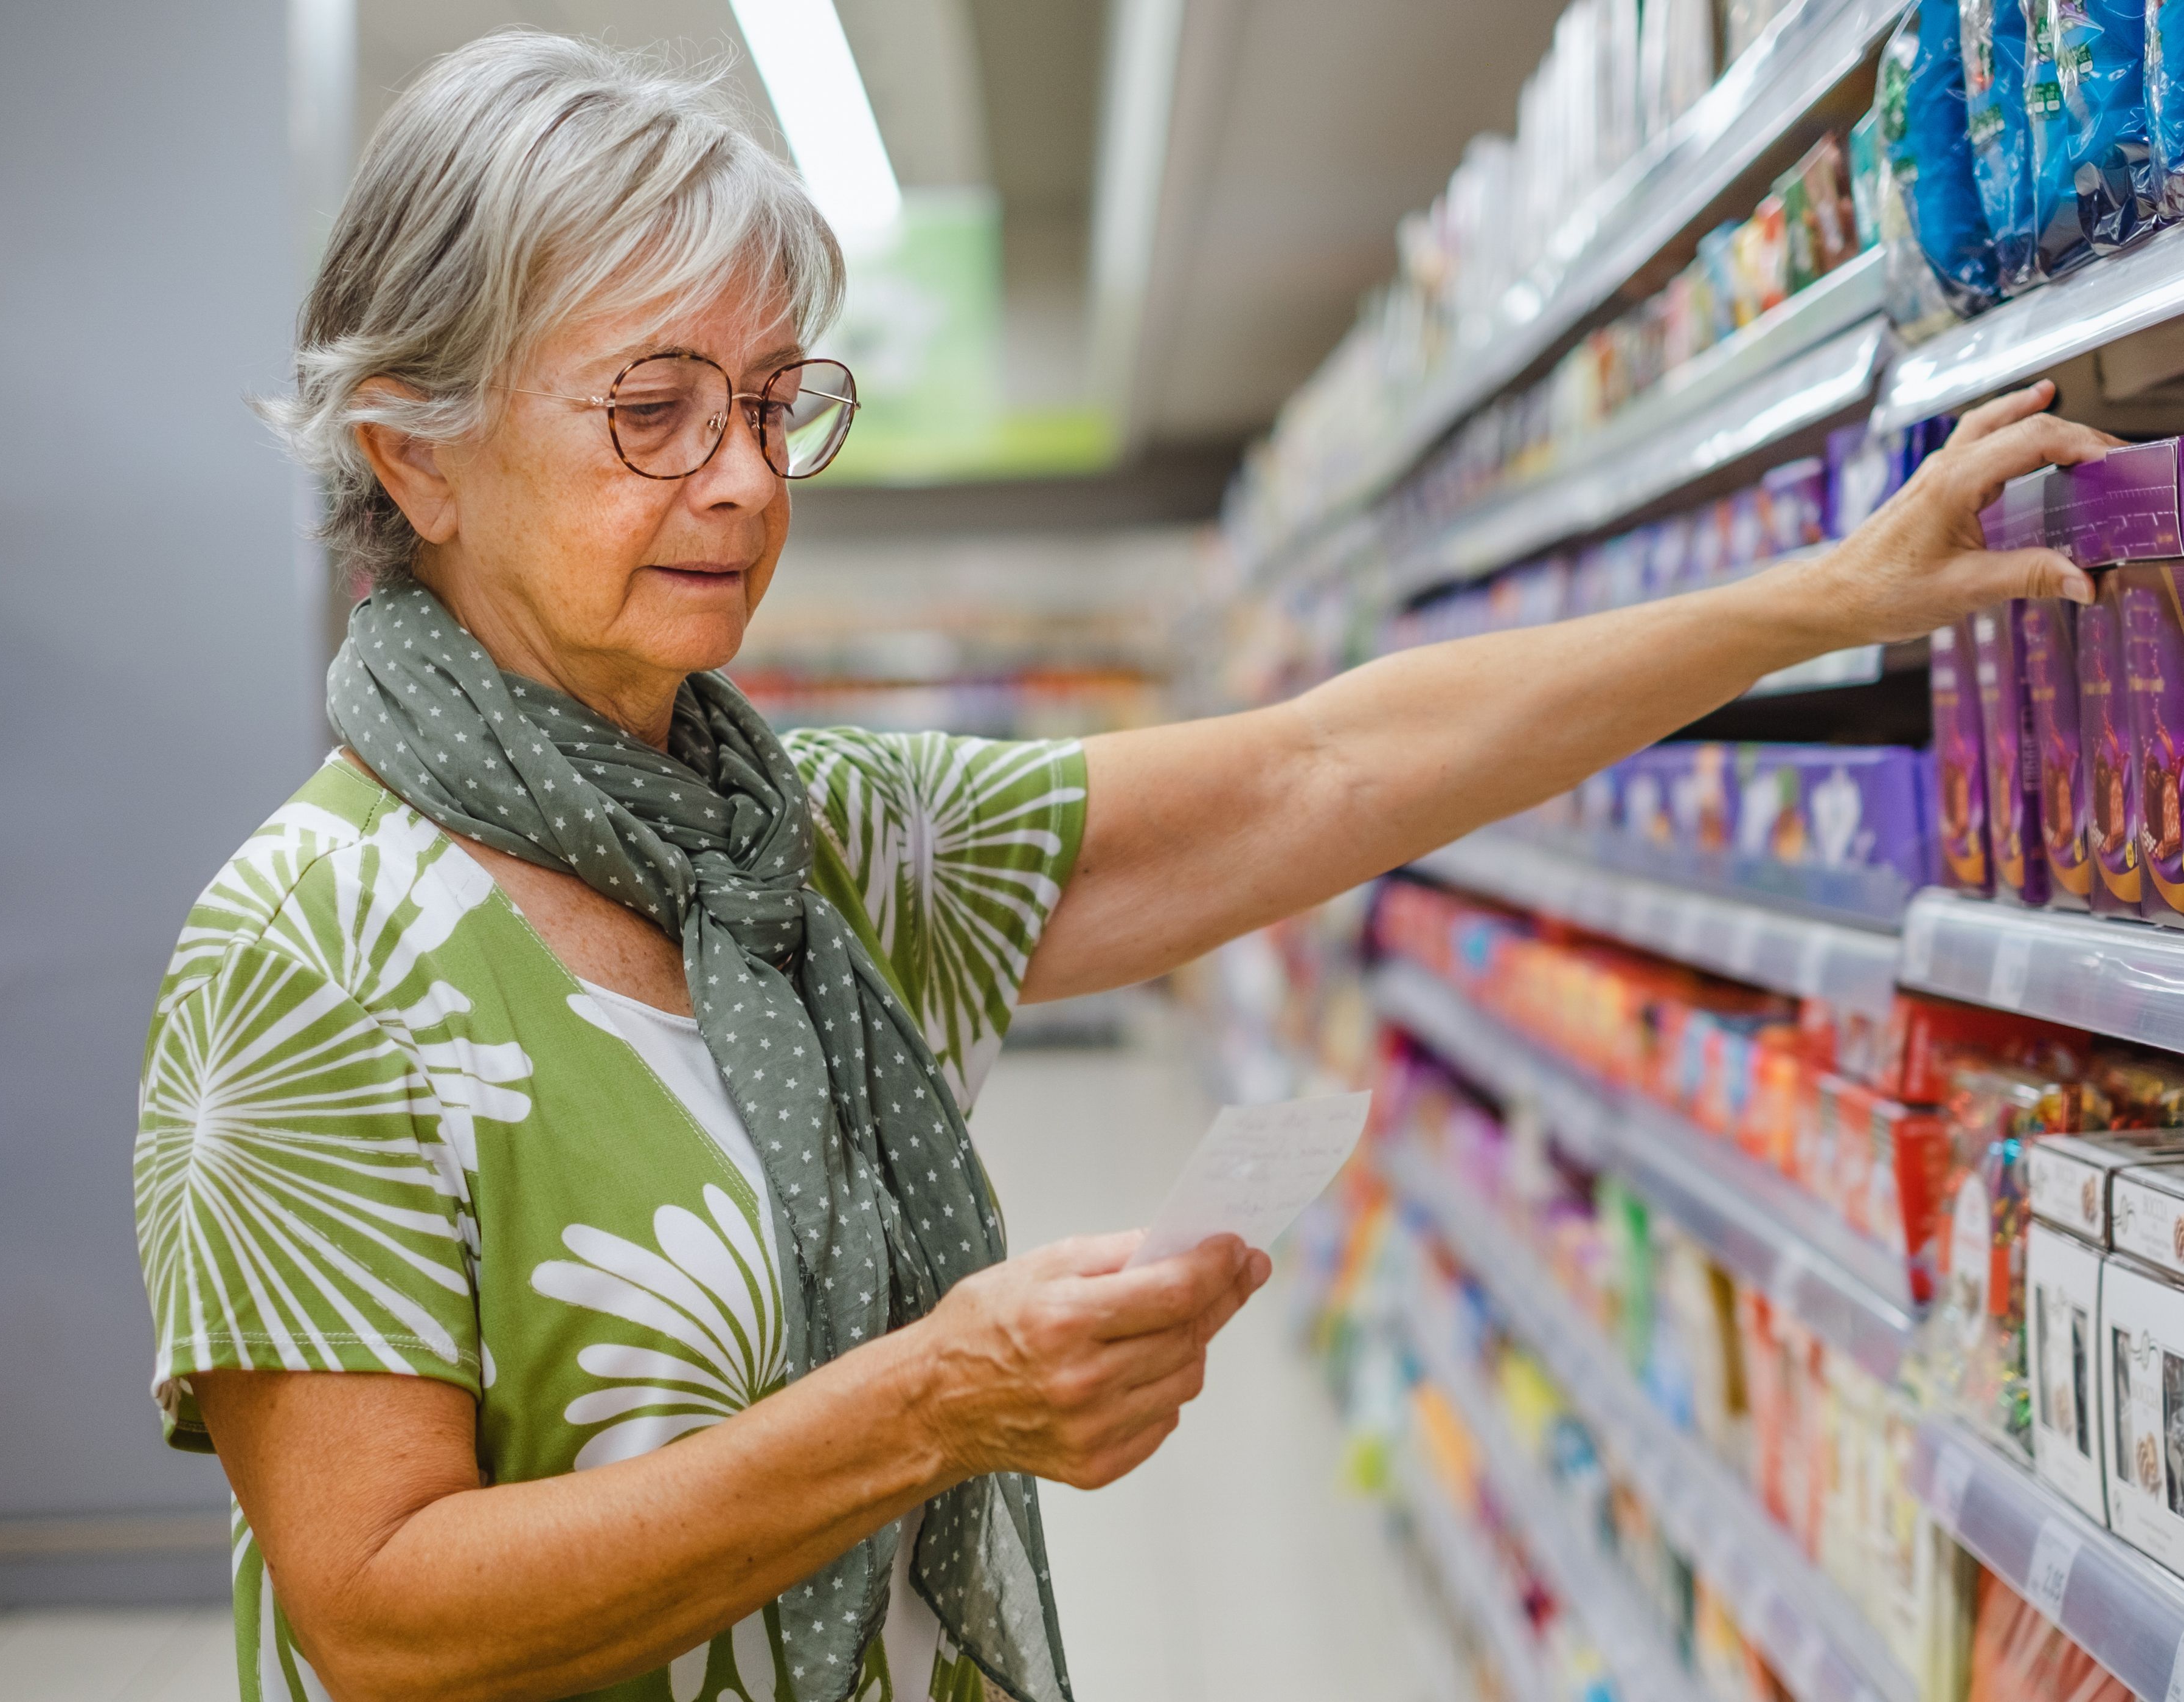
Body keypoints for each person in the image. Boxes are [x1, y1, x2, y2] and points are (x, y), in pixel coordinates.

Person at [131, 29, 2113, 1702]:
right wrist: (929, 1406)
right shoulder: (306, 948)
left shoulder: (810, 845)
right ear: (416, 454)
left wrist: (1825, 601)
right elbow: (377, 1608)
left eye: (768, 404)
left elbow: (1324, 765)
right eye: (649, 411)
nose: (737, 480)